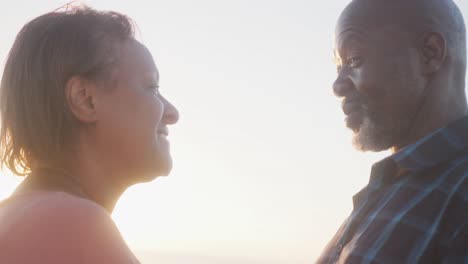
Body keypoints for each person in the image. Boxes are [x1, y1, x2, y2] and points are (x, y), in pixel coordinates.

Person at [0, 4, 179, 264]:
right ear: (85, 99)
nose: (172, 113)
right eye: (151, 87)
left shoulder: (16, 217)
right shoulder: (72, 224)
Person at [317, 0, 468, 263]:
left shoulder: (460, 190)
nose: (337, 86)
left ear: (430, 53)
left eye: (354, 59)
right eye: (338, 65)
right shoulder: (391, 186)